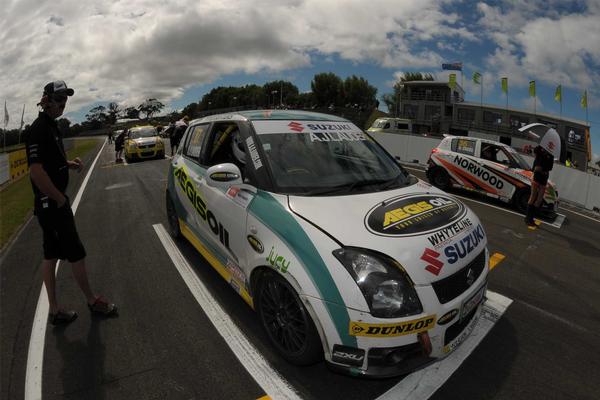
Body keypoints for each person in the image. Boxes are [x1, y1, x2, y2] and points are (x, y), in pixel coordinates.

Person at [25, 80, 117, 325]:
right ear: (47, 100)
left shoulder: (53, 127)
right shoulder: (38, 128)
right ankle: (92, 300)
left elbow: (51, 161)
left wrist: (70, 164)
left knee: (51, 254)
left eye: (66, 99)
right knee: (75, 252)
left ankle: (54, 310)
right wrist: (58, 198)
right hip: (51, 203)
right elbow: (35, 171)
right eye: (59, 99)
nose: (63, 104)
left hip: (50, 203)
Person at [524, 144, 554, 227]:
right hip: (537, 176)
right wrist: (541, 146)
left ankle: (531, 218)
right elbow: (535, 150)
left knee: (539, 199)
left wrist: (543, 169)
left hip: (544, 178)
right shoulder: (539, 150)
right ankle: (528, 218)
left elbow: (550, 167)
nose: (550, 146)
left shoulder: (551, 155)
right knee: (533, 196)